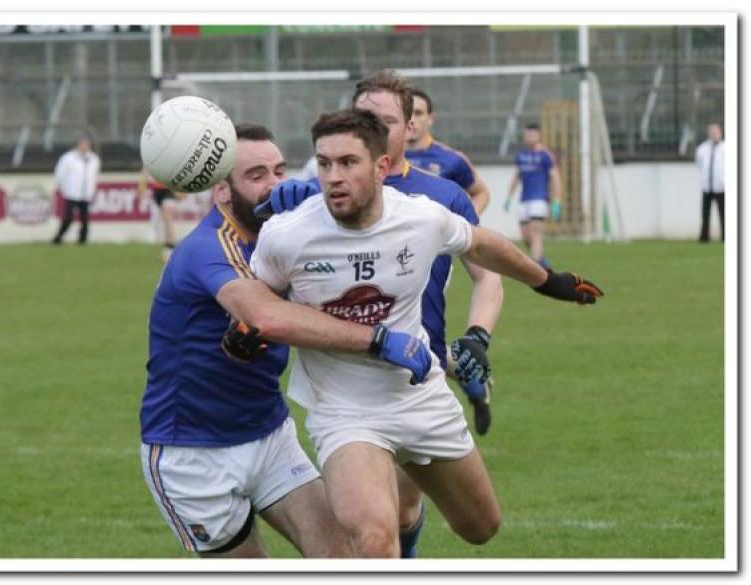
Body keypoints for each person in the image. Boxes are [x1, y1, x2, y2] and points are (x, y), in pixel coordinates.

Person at [248, 108, 603, 558]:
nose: (333, 177)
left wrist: (546, 281)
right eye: (324, 163)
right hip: (344, 412)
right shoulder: (287, 235)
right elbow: (258, 301)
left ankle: (413, 512)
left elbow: (481, 243)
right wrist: (245, 333)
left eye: (348, 163)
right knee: (375, 539)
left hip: (420, 396)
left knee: (481, 526)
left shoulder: (420, 217)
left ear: (381, 167)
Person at [139, 123, 432, 559]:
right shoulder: (206, 249)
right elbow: (264, 316)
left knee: (341, 557)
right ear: (221, 190)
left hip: (270, 434)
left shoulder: (285, 238)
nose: (275, 185)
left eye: (280, 171)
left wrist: (318, 200)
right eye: (256, 176)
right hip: (193, 452)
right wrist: (378, 340)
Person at [254, 69, 505, 558]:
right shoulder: (323, 189)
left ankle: (471, 381)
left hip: (419, 370)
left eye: (386, 119)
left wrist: (478, 335)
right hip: (350, 387)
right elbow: (269, 267)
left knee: (413, 512)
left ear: (410, 126)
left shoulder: (443, 195)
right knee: (375, 530)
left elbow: (489, 274)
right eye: (365, 116)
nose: (375, 125)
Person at [405, 88, 491, 214]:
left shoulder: (451, 159)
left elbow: (481, 193)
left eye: (418, 113)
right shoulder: (385, 157)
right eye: (407, 113)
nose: (411, 120)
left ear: (430, 118)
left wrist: (463, 224)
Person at [504, 123, 563, 269]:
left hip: (539, 200)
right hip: (524, 200)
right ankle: (540, 259)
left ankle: (535, 267)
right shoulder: (521, 156)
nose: (529, 137)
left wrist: (557, 201)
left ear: (539, 135)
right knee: (526, 236)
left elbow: (556, 179)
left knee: (536, 232)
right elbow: (516, 177)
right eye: (527, 134)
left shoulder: (545, 155)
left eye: (532, 134)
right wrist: (509, 198)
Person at [51, 135, 101, 245]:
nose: (85, 147)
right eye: (83, 144)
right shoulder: (68, 158)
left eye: (87, 144)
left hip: (86, 194)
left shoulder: (94, 159)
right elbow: (60, 174)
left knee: (85, 219)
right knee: (68, 217)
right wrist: (63, 188)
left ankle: (83, 240)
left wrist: (92, 191)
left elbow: (94, 176)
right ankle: (59, 237)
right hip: (72, 193)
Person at [136, 168, 186, 263]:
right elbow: (145, 172)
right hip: (157, 191)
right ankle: (168, 248)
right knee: (160, 221)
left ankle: (170, 249)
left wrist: (180, 191)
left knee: (168, 218)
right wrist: (141, 187)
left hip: (168, 190)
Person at [695, 122, 725, 243]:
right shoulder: (702, 149)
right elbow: (699, 164)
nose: (714, 134)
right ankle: (704, 237)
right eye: (712, 132)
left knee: (724, 214)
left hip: (722, 187)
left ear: (720, 132)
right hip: (707, 186)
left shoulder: (726, 148)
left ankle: (726, 237)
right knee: (705, 214)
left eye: (716, 132)